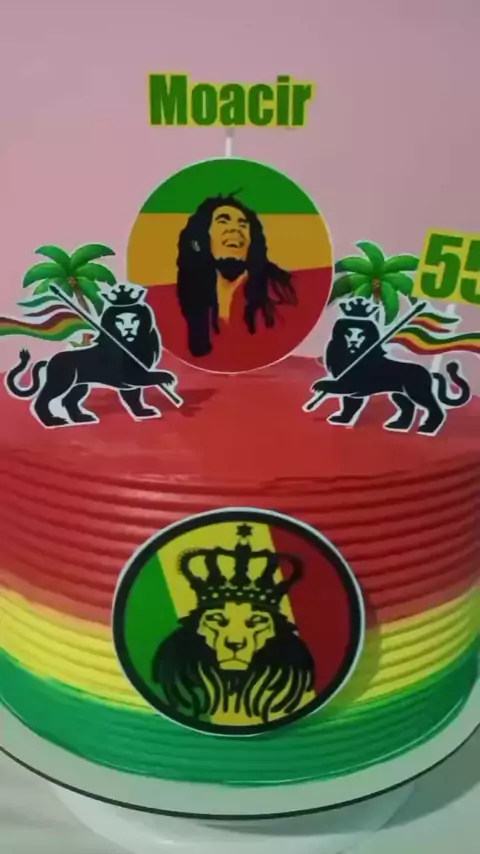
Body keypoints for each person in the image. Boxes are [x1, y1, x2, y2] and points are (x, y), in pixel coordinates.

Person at [176, 194, 297, 358]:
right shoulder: (186, 298)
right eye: (223, 221)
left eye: (243, 224)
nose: (235, 229)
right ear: (202, 237)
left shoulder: (282, 293)